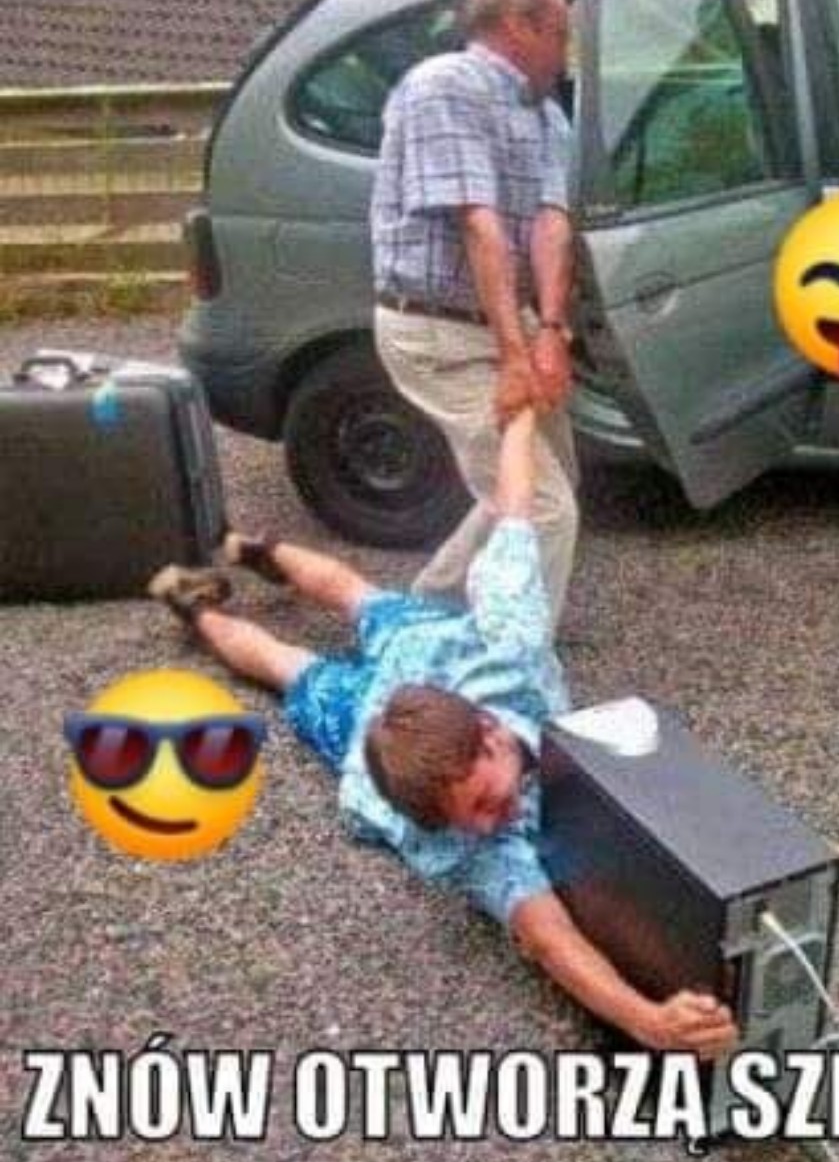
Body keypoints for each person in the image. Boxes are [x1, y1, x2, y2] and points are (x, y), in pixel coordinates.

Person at [148, 410, 736, 1059]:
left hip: (426, 652)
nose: (488, 824)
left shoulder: (510, 648)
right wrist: (648, 1022)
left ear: (491, 733)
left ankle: (252, 549)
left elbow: (515, 511)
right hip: (372, 715)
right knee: (290, 666)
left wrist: (522, 418)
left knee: (355, 596)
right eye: (472, 817)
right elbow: (549, 940)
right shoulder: (458, 835)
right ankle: (194, 605)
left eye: (486, 800)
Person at [371, 0, 579, 630]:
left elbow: (550, 224)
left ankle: (431, 611)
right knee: (541, 508)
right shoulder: (444, 86)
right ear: (518, 27)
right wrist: (516, 358)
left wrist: (550, 332)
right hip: (438, 331)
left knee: (542, 479)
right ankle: (509, 666)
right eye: (561, 35)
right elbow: (478, 225)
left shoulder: (546, 112)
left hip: (504, 321)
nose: (566, 53)